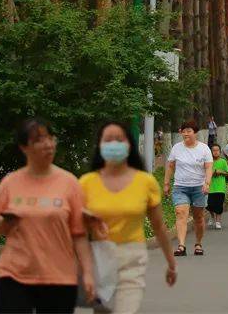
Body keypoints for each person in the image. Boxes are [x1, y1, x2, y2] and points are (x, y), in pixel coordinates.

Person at [0, 118, 94, 313]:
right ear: (24, 147)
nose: (48, 144)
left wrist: (87, 273)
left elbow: (79, 235)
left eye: (51, 138)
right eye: (39, 140)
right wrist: (6, 219)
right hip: (14, 274)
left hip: (59, 277)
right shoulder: (11, 183)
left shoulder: (69, 183)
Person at [80, 121, 178, 313]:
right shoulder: (86, 183)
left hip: (132, 257)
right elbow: (77, 230)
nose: (114, 144)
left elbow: (158, 226)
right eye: (108, 140)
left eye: (119, 139)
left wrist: (171, 263)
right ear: (99, 145)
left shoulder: (145, 181)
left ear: (130, 145)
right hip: (98, 258)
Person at [163, 120, 213, 256]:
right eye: (183, 131)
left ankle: (198, 243)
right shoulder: (176, 148)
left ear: (195, 133)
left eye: (189, 131)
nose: (185, 134)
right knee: (180, 213)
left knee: (198, 217)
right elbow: (171, 166)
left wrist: (207, 183)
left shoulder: (204, 148)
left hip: (199, 188)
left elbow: (208, 167)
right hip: (180, 187)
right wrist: (166, 183)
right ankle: (181, 246)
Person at [207, 144, 228, 230]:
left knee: (218, 205)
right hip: (210, 186)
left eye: (217, 150)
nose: (215, 152)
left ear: (220, 151)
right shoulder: (209, 162)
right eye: (213, 150)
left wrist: (220, 172)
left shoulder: (223, 161)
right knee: (209, 204)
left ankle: (218, 221)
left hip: (220, 187)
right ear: (211, 152)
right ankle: (211, 216)